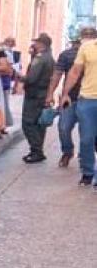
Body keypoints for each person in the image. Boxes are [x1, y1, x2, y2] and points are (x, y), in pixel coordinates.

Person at [59, 25, 97, 187]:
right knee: (87, 138)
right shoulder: (87, 48)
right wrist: (65, 93)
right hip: (88, 99)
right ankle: (87, 172)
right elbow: (75, 72)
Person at [19, 33, 55, 163]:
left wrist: (19, 77)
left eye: (36, 43)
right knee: (39, 124)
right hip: (42, 93)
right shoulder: (49, 57)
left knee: (28, 123)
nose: (33, 45)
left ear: (41, 44)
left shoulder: (40, 58)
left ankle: (36, 150)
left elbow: (32, 78)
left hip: (34, 94)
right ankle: (37, 149)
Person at [53, 34, 85, 168]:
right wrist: (52, 93)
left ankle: (84, 156)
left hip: (87, 97)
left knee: (87, 131)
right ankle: (67, 151)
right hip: (70, 97)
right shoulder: (66, 55)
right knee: (63, 127)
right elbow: (57, 74)